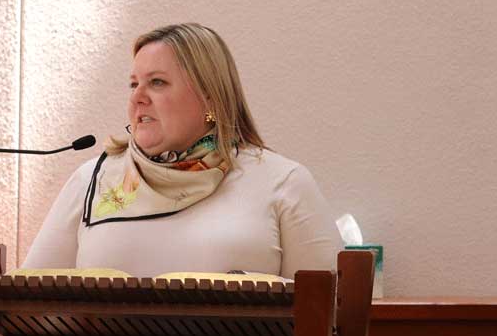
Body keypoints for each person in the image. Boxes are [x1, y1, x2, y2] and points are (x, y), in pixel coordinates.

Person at [24, 22, 343, 284]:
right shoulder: (93, 180)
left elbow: (329, 312)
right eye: (133, 83)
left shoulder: (283, 181)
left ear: (210, 97)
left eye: (157, 82)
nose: (138, 97)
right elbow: (28, 302)